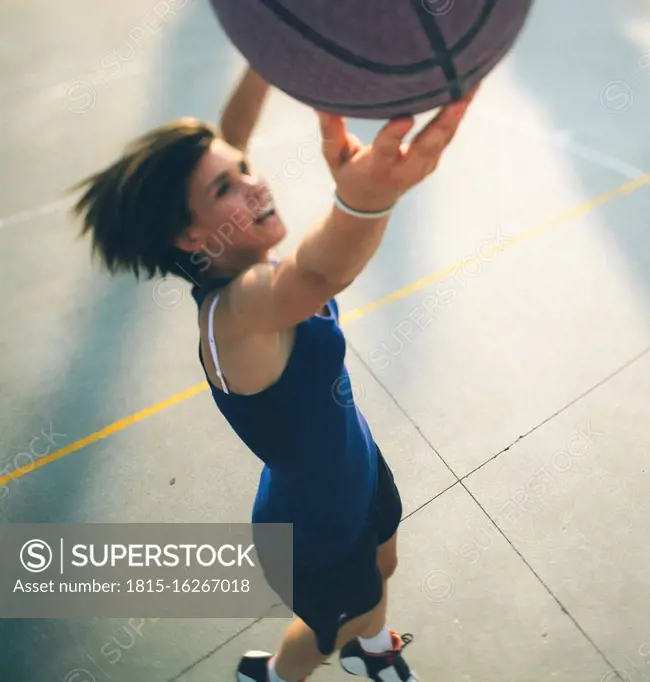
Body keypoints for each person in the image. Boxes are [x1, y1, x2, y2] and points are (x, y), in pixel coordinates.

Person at [70, 65, 477, 682]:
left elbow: (231, 138)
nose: (255, 187)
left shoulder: (234, 246)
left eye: (246, 170)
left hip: (357, 467)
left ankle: (369, 647)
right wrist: (366, 196)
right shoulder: (237, 313)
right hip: (311, 528)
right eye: (227, 188)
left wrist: (271, 53)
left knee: (382, 565)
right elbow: (315, 277)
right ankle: (272, 676)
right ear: (188, 234)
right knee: (330, 627)